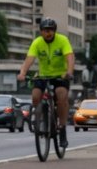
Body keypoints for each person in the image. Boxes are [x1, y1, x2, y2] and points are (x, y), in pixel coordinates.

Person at [17, 17, 76, 148]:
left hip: (60, 76)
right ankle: (40, 119)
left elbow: (70, 57)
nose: (48, 33)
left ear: (54, 31)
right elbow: (29, 59)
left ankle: (62, 127)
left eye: (50, 30)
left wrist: (69, 72)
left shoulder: (62, 40)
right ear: (41, 32)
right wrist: (23, 73)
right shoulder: (37, 42)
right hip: (43, 76)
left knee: (61, 96)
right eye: (45, 30)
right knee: (35, 96)